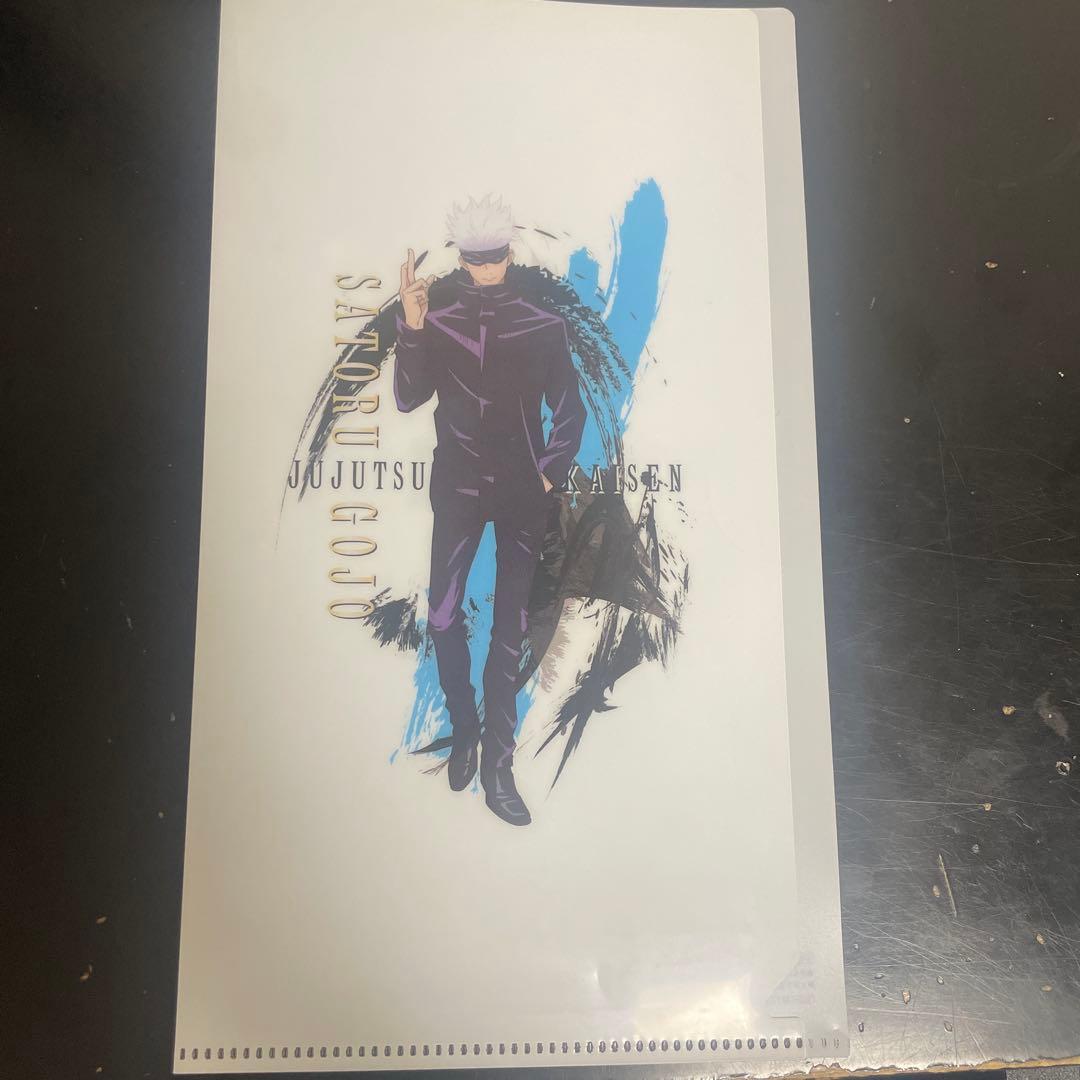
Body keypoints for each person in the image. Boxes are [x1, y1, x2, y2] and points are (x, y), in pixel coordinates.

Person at [394, 196, 586, 826]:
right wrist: (412, 326)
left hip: (522, 496)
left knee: (510, 630)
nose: (484, 268)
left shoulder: (543, 325)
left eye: (493, 256)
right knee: (442, 615)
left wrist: (548, 473)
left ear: (507, 255)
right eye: (475, 259)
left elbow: (570, 410)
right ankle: (466, 731)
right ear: (464, 260)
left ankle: (499, 767)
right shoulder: (439, 320)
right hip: (456, 489)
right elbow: (407, 398)